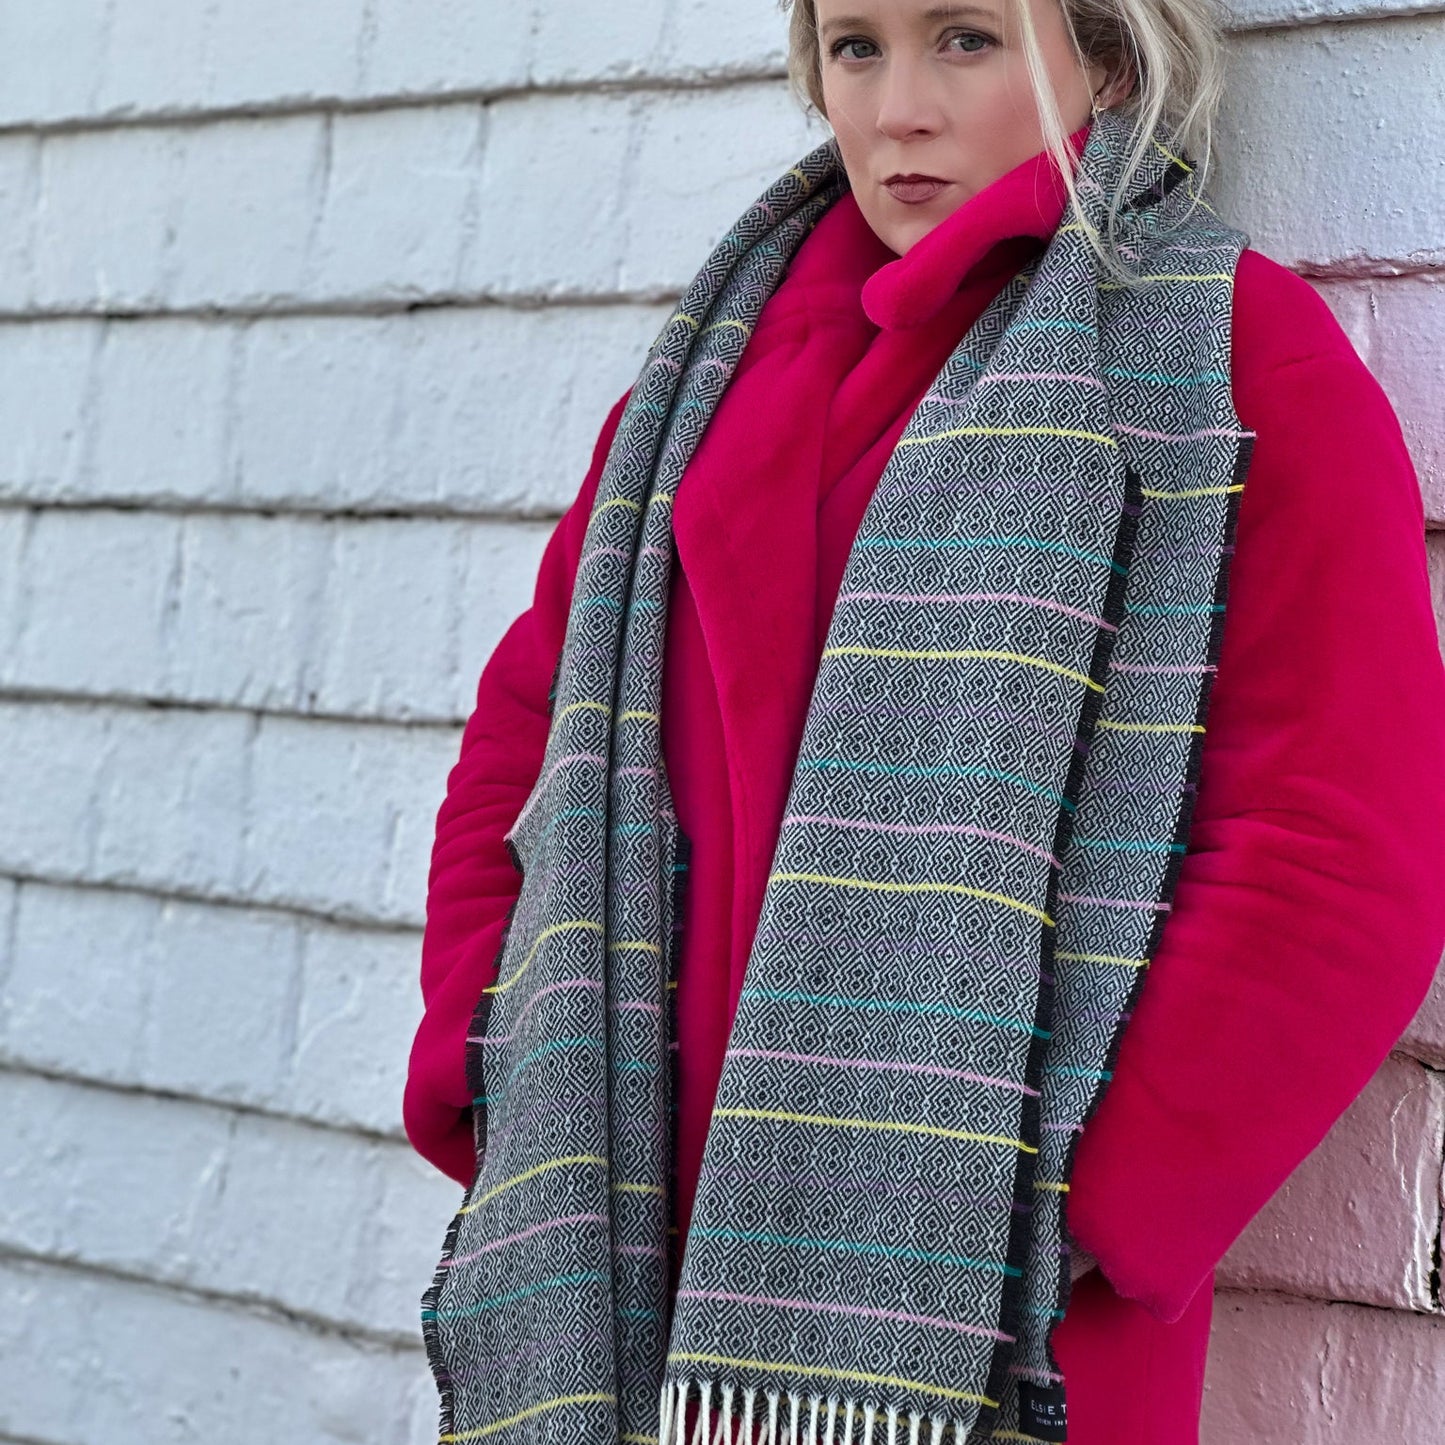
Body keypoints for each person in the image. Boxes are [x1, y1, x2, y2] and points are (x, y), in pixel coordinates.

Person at [405, 1, 1445, 1442]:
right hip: (619, 1227)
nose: (895, 107)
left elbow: (1336, 852)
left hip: (981, 1292)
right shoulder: (704, 376)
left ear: (1110, 59)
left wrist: (1074, 1202)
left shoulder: (1226, 357)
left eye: (962, 37)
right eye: (855, 45)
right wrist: (485, 1059)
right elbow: (529, 734)